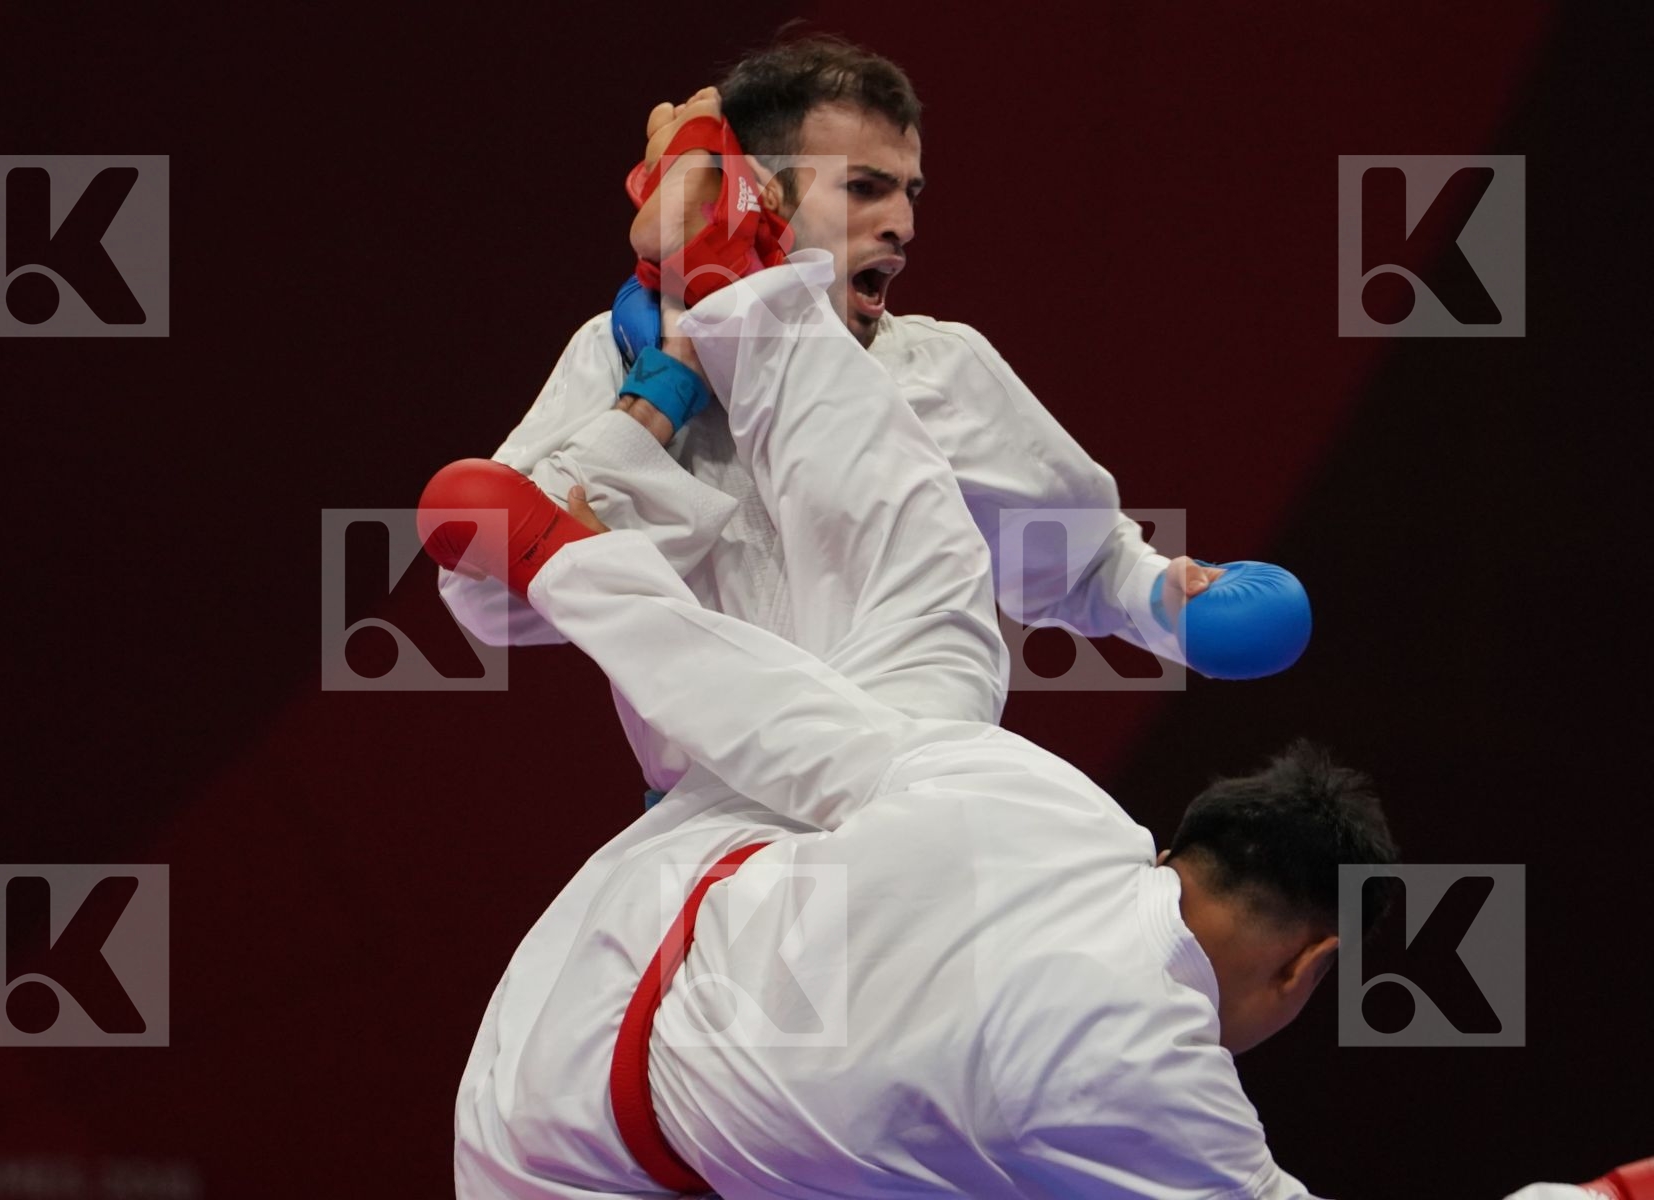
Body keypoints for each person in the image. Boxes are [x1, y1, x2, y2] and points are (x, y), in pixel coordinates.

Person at [437, 251, 1376, 1198]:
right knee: (921, 683)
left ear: (1182, 852)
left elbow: (775, 716)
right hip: (553, 1144)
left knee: (925, 678)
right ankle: (747, 313)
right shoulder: (1171, 1095)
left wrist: (567, 564)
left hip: (625, 929)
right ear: (1308, 964)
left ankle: (745, 299)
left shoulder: (1046, 800)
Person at [437, 35, 1310, 799]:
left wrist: (1167, 600)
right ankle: (719, 277)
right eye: (864, 189)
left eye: (910, 193)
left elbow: (1082, 559)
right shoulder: (618, 353)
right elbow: (491, 600)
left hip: (908, 809)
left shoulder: (938, 366)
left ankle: (716, 265)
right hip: (712, 834)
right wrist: (660, 398)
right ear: (764, 200)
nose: (902, 224)